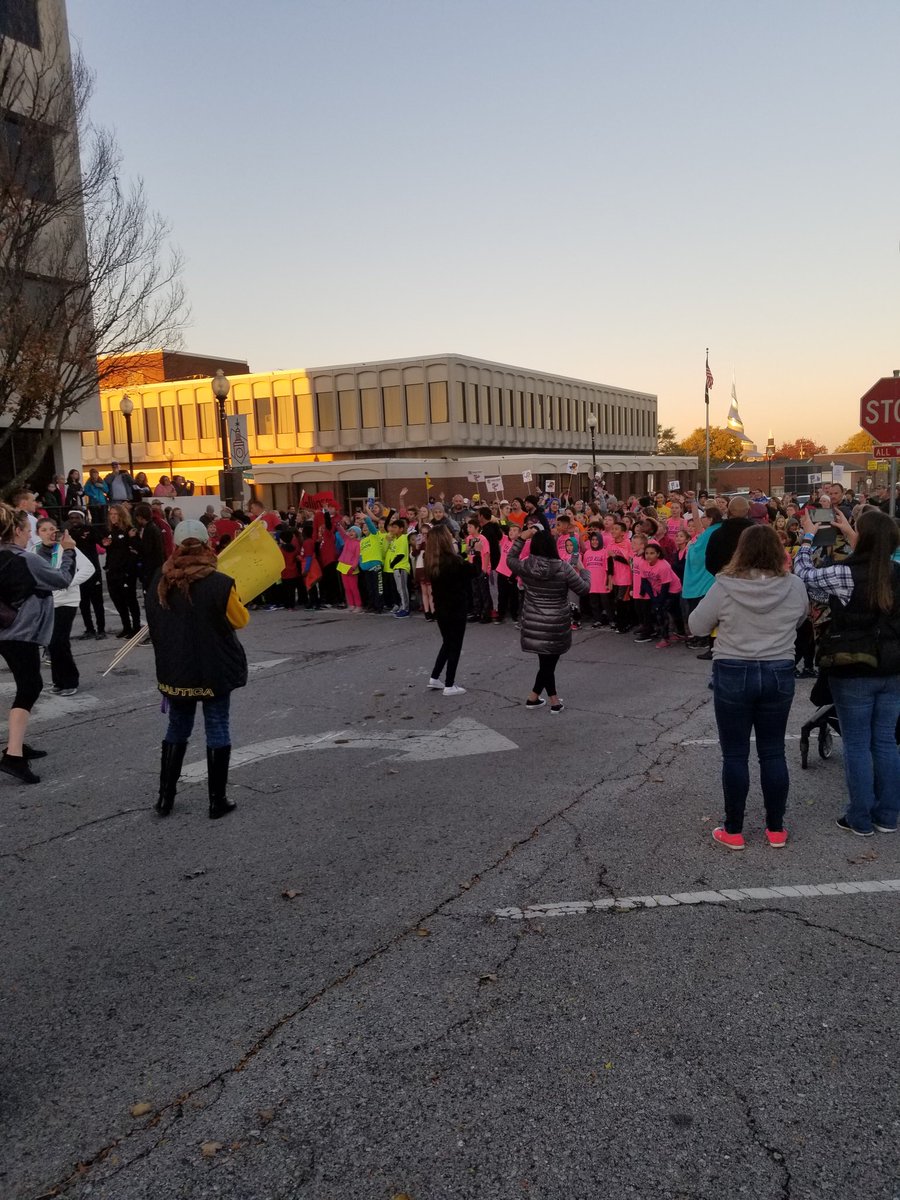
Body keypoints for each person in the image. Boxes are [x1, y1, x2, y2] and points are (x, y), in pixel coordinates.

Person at [689, 525, 809, 850]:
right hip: (778, 669)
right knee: (773, 751)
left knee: (735, 753)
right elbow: (801, 617)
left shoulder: (724, 585)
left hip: (733, 668)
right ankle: (775, 828)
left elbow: (697, 624)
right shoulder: (794, 585)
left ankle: (734, 829)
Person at [794, 507, 900, 836]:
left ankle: (860, 815)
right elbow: (875, 562)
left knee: (856, 743)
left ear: (862, 538)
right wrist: (857, 535)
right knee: (885, 741)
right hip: (892, 665)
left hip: (853, 665)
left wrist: (809, 535)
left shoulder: (844, 574)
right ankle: (887, 814)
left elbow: (803, 574)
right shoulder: (895, 571)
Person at [145, 520, 249, 819]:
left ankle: (165, 799)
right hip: (214, 668)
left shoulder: (159, 579)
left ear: (176, 546)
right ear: (207, 545)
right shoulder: (220, 582)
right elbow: (240, 620)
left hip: (176, 668)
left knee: (177, 726)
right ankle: (217, 801)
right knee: (217, 726)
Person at [0, 503, 76, 783]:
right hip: (20, 631)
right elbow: (62, 579)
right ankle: (13, 756)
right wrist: (68, 551)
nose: (29, 536)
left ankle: (16, 744)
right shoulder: (25, 559)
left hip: (5, 629)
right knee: (30, 686)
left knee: (26, 684)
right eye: (28, 531)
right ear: (17, 530)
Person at [507, 525, 590, 712]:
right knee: (548, 662)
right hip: (556, 621)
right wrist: (584, 570)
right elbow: (584, 589)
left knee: (545, 661)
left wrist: (521, 538)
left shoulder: (527, 565)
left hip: (534, 619)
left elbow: (510, 559)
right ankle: (552, 701)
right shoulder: (563, 567)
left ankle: (535, 697)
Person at [34, 517, 96, 696]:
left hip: (66, 601)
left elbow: (88, 568)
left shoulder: (66, 547)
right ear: (38, 533)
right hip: (47, 602)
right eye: (44, 530)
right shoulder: (35, 551)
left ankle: (70, 681)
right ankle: (58, 681)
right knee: (52, 644)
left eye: (52, 528)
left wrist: (68, 583)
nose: (49, 532)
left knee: (59, 641)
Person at [424, 525, 469, 696]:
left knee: (447, 643)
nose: (452, 536)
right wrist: (477, 554)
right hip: (456, 608)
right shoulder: (452, 560)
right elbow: (473, 571)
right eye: (449, 534)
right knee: (455, 645)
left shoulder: (431, 560)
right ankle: (449, 684)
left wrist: (464, 554)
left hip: (441, 608)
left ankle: (435, 677)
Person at [66, 509, 107, 639]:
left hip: (93, 572)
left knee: (97, 602)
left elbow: (103, 542)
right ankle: (89, 629)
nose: (74, 520)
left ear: (82, 518)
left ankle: (101, 630)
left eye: (76, 517)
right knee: (83, 603)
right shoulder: (69, 534)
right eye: (71, 518)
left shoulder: (91, 530)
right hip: (78, 573)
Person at [102, 504, 142, 636]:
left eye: (115, 514)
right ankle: (126, 626)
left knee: (130, 599)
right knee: (117, 599)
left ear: (121, 515)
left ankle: (136, 627)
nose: (113, 517)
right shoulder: (109, 531)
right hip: (112, 570)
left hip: (125, 571)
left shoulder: (129, 530)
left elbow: (134, 551)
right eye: (111, 514)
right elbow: (111, 550)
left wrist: (129, 569)